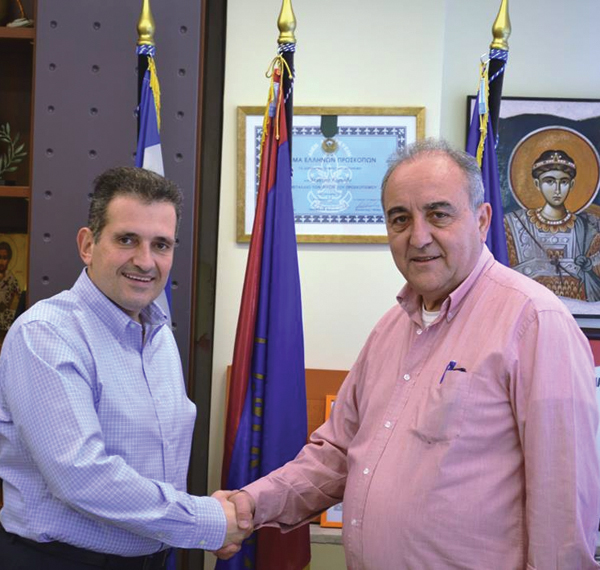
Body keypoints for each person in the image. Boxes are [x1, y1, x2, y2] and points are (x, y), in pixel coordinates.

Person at [215, 139, 600, 569]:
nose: (418, 237)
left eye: (438, 214)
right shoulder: (390, 329)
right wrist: (252, 504)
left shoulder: (535, 322)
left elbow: (563, 516)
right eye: (400, 219)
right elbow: (338, 455)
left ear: (482, 220)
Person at [0, 166, 249, 570]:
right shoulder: (46, 334)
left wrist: (199, 521)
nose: (145, 261)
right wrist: (204, 521)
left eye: (161, 245)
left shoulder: (159, 336)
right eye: (127, 239)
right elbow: (81, 476)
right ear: (88, 244)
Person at [504, 149, 600, 301]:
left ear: (572, 184)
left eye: (563, 182)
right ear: (537, 184)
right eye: (549, 181)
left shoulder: (589, 229)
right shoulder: (513, 225)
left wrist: (589, 266)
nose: (557, 190)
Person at [0, 241, 22, 344]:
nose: (1, 261)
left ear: (9, 260)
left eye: (4, 258)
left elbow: (21, 297)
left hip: (6, 318)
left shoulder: (11, 279)